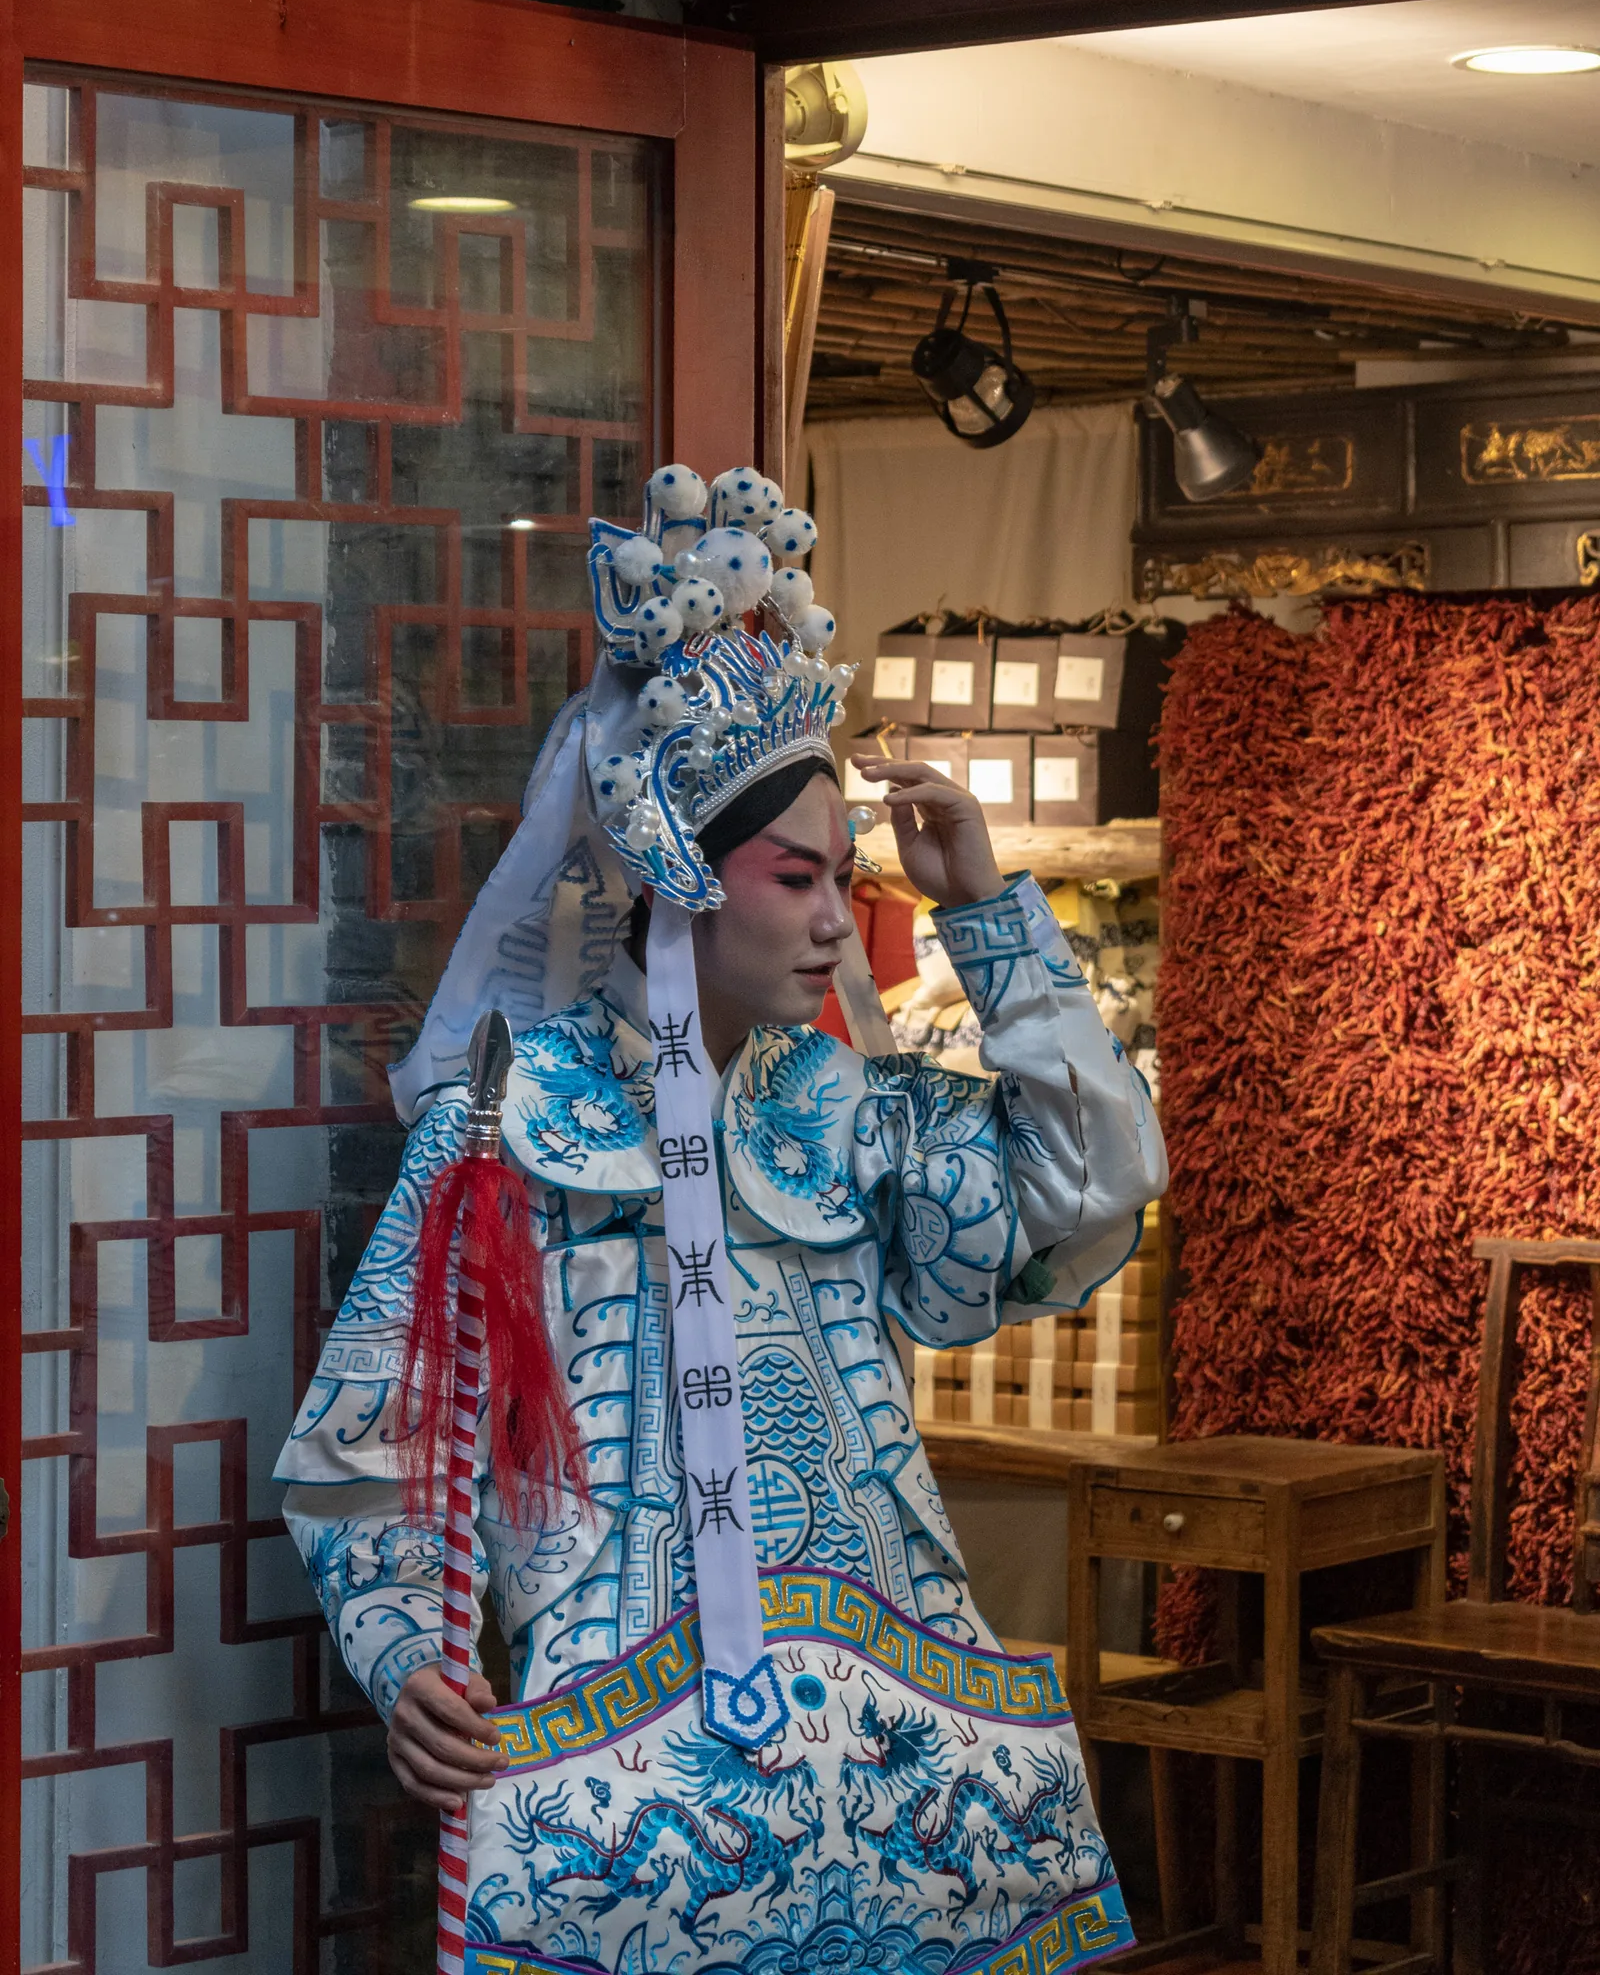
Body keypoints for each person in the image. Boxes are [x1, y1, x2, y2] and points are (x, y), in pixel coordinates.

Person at [277, 463, 1166, 1975]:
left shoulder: (842, 1112)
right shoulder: (514, 1127)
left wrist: (989, 915)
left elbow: (1087, 1187)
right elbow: (378, 1438)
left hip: (888, 1772)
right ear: (685, 876)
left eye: (846, 879)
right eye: (799, 878)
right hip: (632, 1781)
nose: (837, 919)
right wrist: (402, 1659)